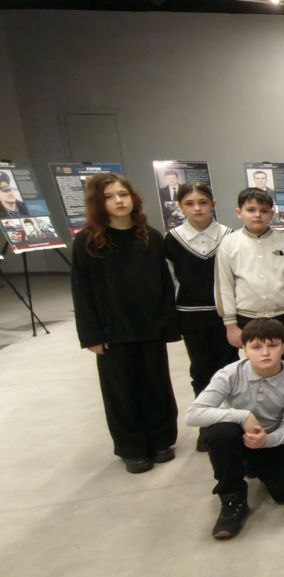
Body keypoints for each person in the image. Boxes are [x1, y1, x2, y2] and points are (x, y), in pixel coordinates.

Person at [72, 173, 179, 474]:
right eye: (109, 197)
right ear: (98, 203)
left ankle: (161, 440)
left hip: (149, 327)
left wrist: (168, 323)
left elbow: (164, 284)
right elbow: (81, 291)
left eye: (123, 194)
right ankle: (131, 447)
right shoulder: (87, 241)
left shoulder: (150, 237)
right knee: (121, 391)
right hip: (112, 331)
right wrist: (91, 334)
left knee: (156, 384)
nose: (119, 201)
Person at [185, 318, 284, 540]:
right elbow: (193, 414)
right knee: (220, 431)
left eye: (272, 345)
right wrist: (242, 416)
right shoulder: (229, 374)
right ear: (244, 349)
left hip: (270, 439)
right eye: (257, 347)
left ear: (283, 347)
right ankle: (232, 497)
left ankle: (254, 463)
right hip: (235, 436)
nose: (265, 353)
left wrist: (266, 441)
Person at [163, 182, 238, 452]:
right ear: (180, 207)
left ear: (212, 205)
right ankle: (207, 424)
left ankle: (230, 421)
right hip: (191, 315)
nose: (197, 208)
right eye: (190, 203)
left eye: (203, 202)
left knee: (229, 367)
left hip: (225, 314)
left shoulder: (229, 236)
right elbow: (168, 281)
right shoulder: (172, 239)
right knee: (201, 369)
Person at [215, 188, 284, 368]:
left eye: (263, 210)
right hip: (247, 317)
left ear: (272, 213)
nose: (257, 215)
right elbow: (224, 286)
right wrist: (230, 325)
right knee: (255, 365)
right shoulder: (229, 243)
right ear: (239, 212)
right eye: (251, 210)